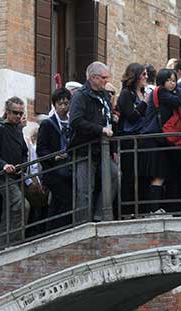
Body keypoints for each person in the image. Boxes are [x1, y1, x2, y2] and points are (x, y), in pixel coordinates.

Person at [69, 61, 119, 222]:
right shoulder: (80, 95)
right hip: (85, 149)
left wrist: (113, 149)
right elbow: (75, 121)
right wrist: (99, 130)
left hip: (103, 149)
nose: (106, 80)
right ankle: (82, 225)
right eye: (104, 77)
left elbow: (107, 120)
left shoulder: (104, 95)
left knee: (115, 175)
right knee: (84, 189)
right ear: (93, 78)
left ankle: (100, 215)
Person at [0, 96, 29, 245]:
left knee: (9, 214)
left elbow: (24, 151)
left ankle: (2, 247)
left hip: (16, 177)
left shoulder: (17, 129)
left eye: (20, 113)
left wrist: (22, 165)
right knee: (21, 205)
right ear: (7, 112)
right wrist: (4, 165)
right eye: (15, 113)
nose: (18, 116)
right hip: (2, 177)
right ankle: (15, 243)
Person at [140, 68, 181, 213]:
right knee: (158, 176)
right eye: (169, 80)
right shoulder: (161, 92)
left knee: (162, 175)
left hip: (160, 139)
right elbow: (178, 101)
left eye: (174, 80)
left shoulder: (164, 93)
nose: (172, 83)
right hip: (154, 139)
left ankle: (157, 208)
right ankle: (154, 209)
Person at [37, 87, 74, 228]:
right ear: (54, 105)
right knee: (66, 199)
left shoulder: (72, 122)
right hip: (53, 171)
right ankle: (56, 231)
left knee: (57, 203)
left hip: (69, 169)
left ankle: (51, 230)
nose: (64, 107)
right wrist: (54, 157)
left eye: (66, 103)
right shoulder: (47, 124)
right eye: (60, 104)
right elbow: (41, 149)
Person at [117, 63, 149, 214]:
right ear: (136, 76)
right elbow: (131, 116)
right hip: (128, 140)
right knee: (129, 176)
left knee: (143, 175)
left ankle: (142, 209)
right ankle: (126, 211)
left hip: (142, 140)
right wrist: (144, 103)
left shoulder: (143, 93)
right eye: (143, 74)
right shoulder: (125, 94)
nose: (146, 77)